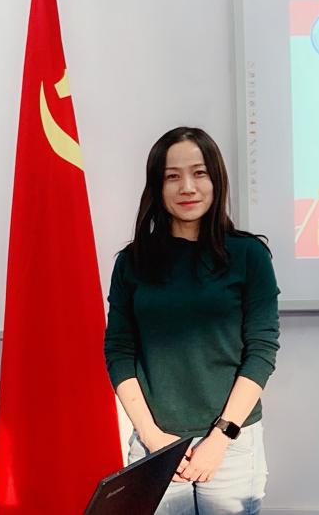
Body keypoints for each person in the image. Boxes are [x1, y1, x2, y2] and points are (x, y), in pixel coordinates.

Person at [104, 127, 280, 515]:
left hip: (232, 442)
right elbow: (118, 351)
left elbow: (261, 351)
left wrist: (221, 436)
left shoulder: (249, 255)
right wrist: (151, 436)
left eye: (199, 173)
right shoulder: (132, 262)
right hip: (156, 444)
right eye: (173, 176)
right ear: (157, 185)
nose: (188, 187)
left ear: (216, 179)